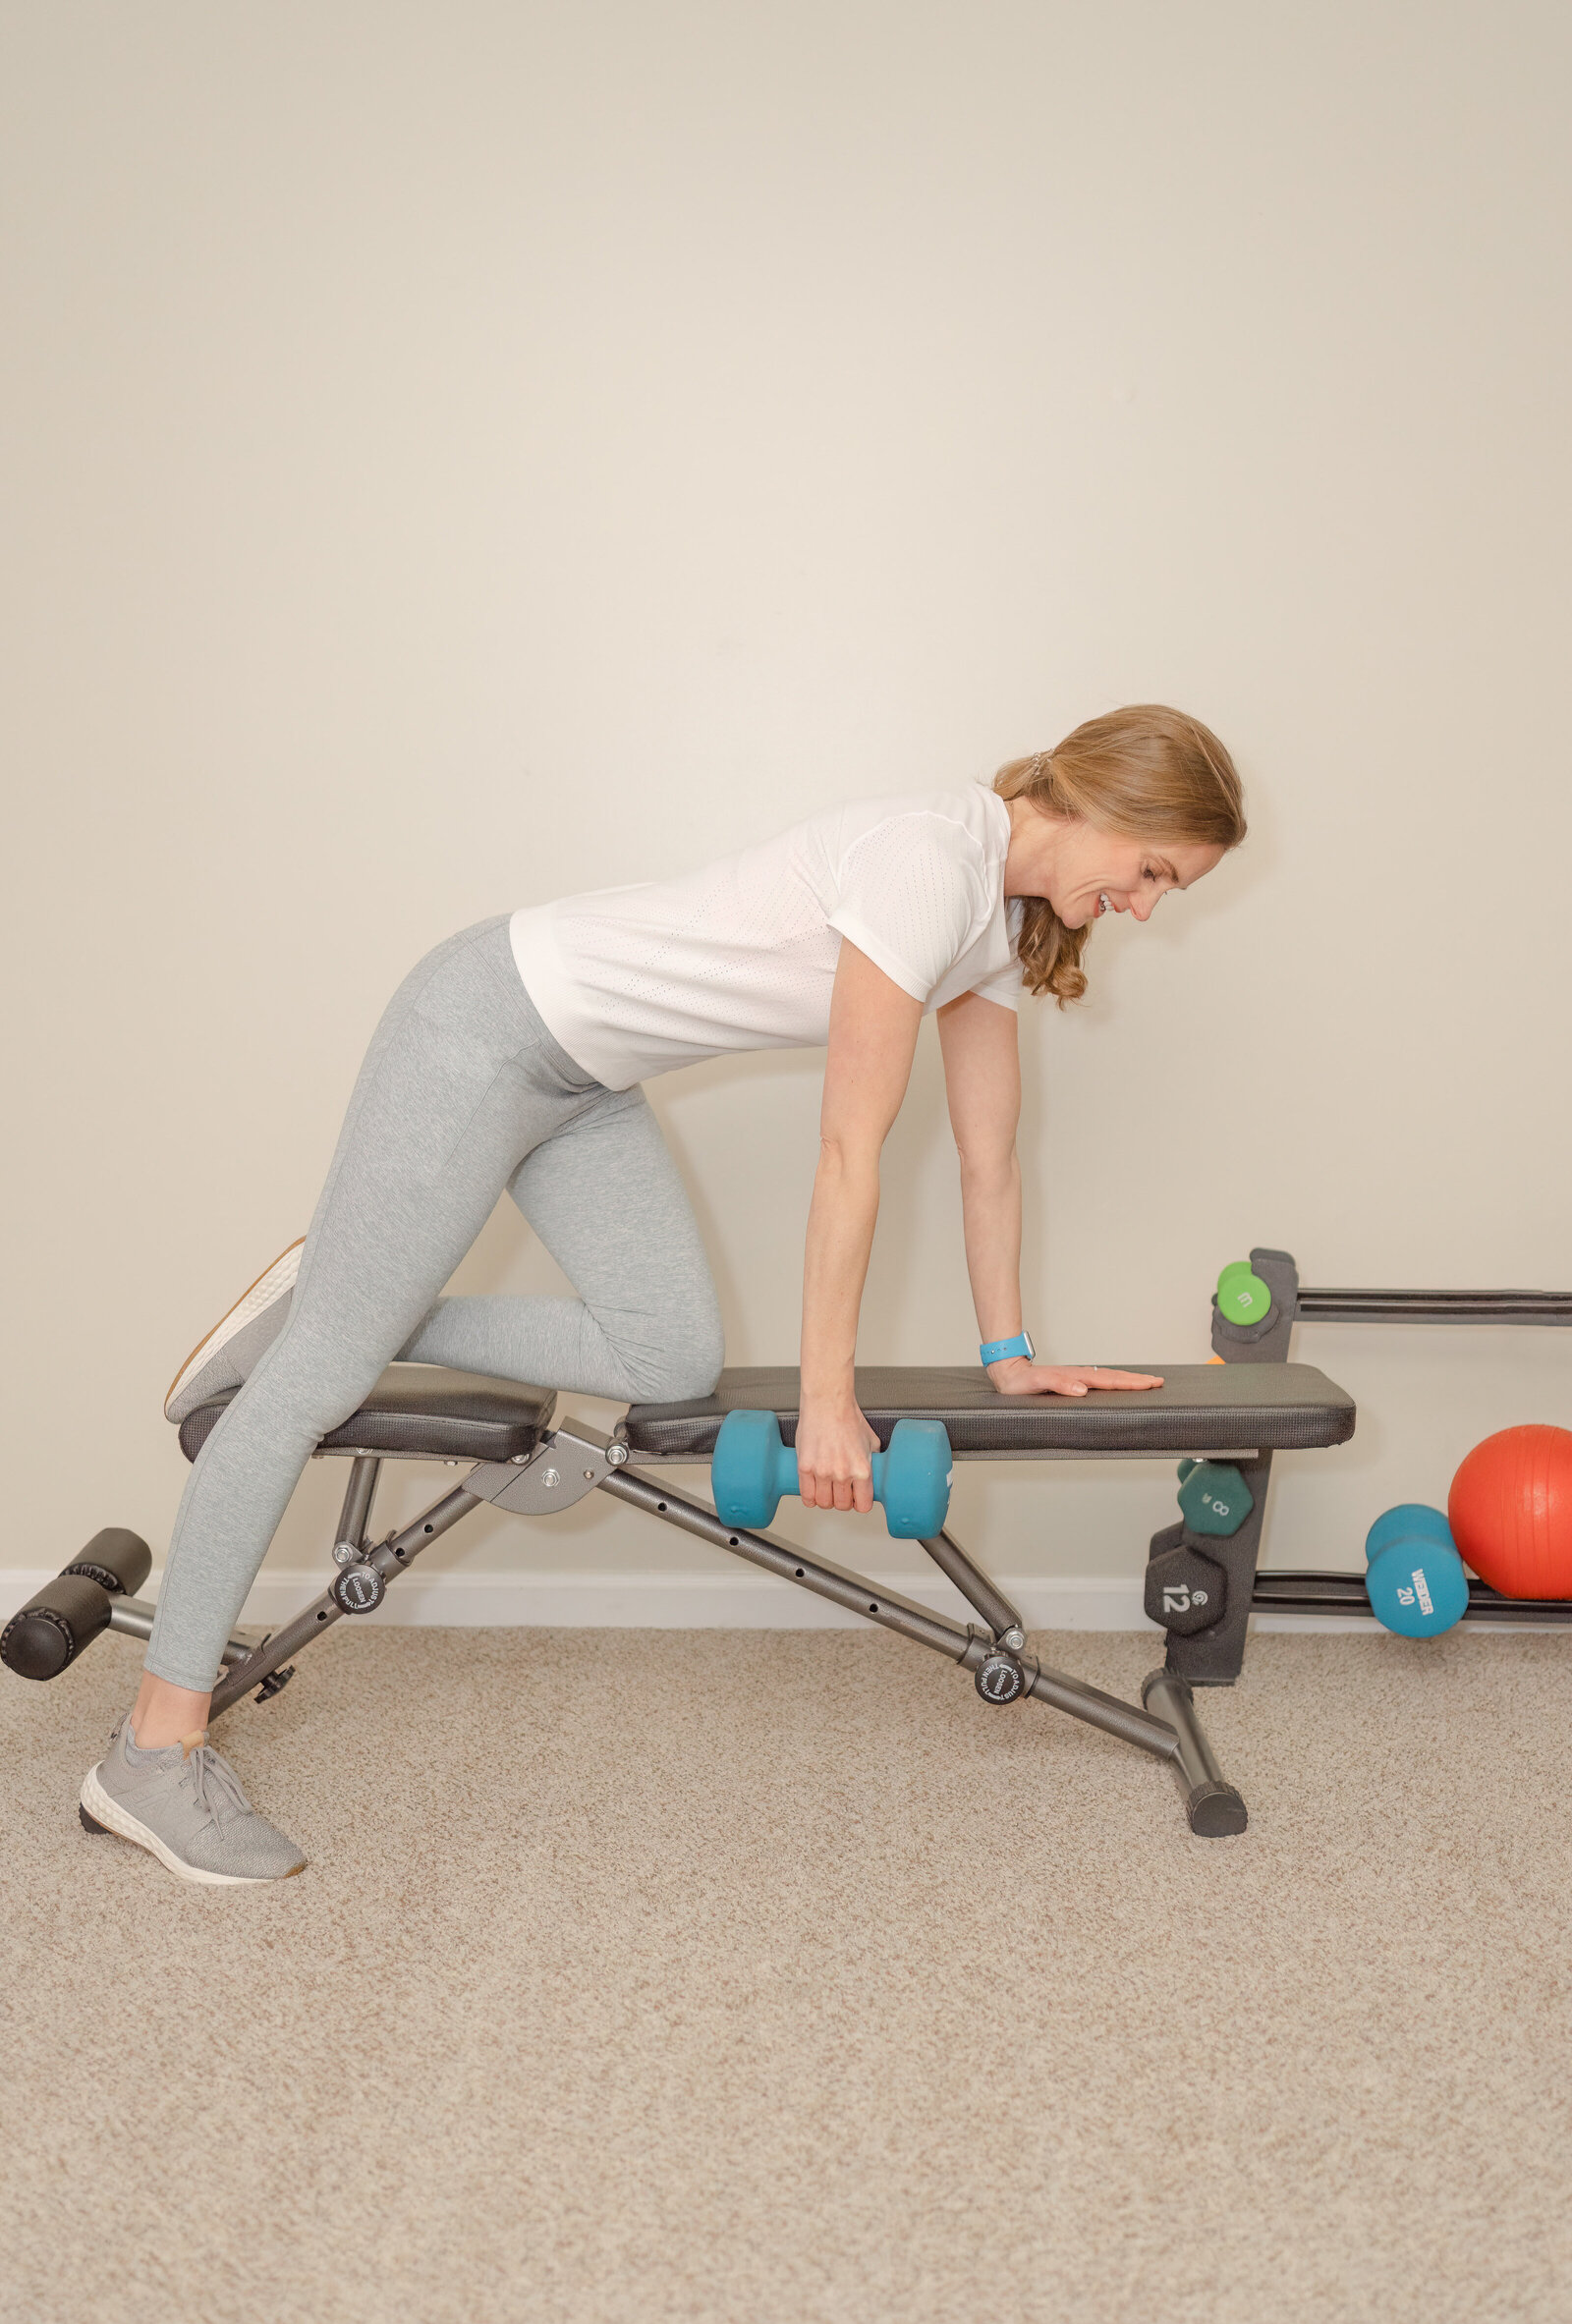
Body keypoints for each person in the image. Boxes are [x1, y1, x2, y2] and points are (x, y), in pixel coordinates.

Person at [81, 703, 1245, 1884]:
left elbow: (989, 1155)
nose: (1146, 907)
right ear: (1100, 802)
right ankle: (151, 1753)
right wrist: (824, 1402)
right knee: (317, 1380)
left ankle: (324, 1298)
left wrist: (1011, 1350)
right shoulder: (927, 861)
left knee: (667, 1357)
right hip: (488, 1026)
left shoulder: (994, 920)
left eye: (1169, 892)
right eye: (1150, 871)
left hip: (585, 1080)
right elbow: (851, 1151)